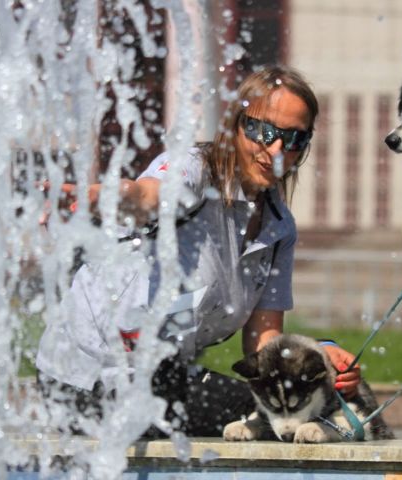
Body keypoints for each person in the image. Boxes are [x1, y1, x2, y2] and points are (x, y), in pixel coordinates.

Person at [35, 65, 362, 437]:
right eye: (263, 131)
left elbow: (263, 346)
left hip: (159, 375)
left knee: (275, 416)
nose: (276, 151)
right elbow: (146, 196)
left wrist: (317, 356)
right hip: (85, 377)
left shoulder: (278, 228)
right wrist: (96, 198)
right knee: (253, 424)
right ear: (235, 124)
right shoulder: (196, 172)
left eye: (294, 140)